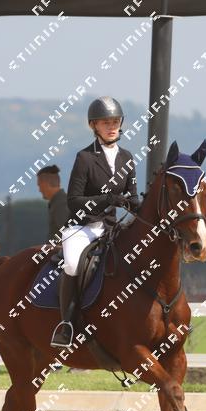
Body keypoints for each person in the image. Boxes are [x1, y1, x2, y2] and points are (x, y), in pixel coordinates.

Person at [50, 97, 139, 347]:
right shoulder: (85, 158)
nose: (112, 126)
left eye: (115, 121)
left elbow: (133, 198)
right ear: (93, 125)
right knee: (72, 263)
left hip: (111, 228)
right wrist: (107, 199)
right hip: (82, 227)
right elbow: (73, 200)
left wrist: (139, 205)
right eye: (105, 122)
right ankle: (66, 324)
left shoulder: (127, 158)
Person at [36, 165, 70, 241]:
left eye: (39, 185)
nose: (39, 190)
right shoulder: (60, 202)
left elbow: (68, 233)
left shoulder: (60, 204)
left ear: (45, 184)